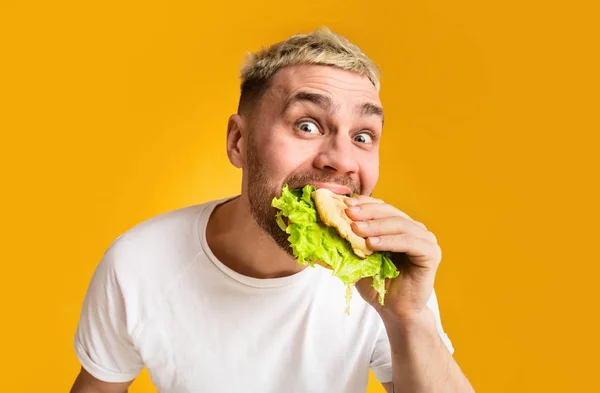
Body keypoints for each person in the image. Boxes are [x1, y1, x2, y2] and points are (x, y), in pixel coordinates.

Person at [70, 27, 475, 393]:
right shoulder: (138, 263)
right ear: (238, 141)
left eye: (363, 136)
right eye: (307, 125)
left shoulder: (386, 274)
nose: (342, 159)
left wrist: (409, 317)